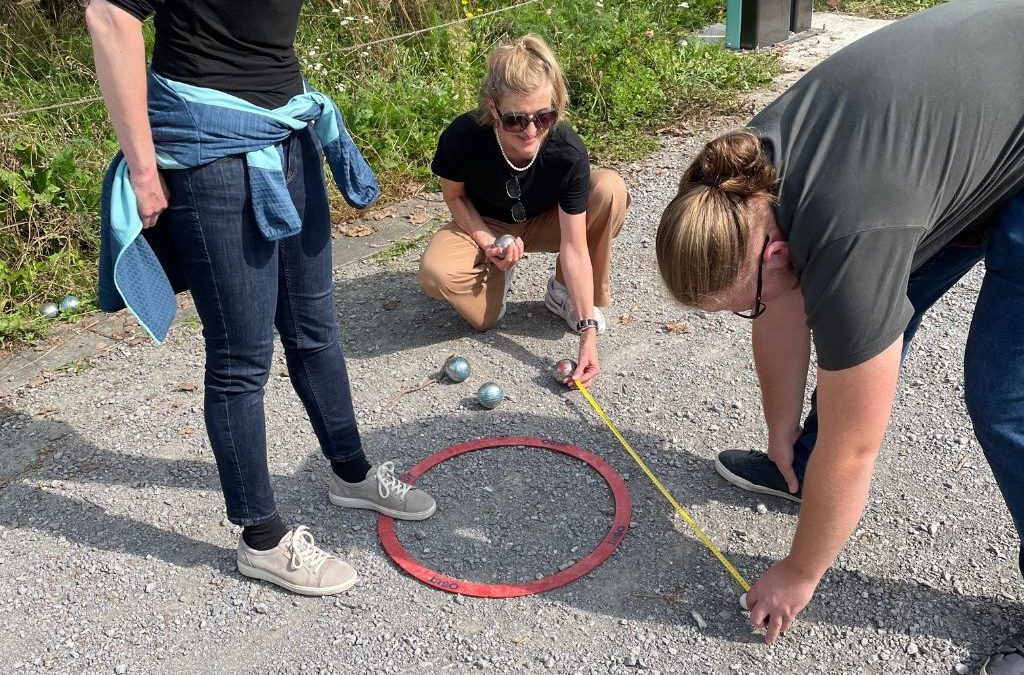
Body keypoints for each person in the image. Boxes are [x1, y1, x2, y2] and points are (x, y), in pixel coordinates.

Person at [655, 1, 1023, 671]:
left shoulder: (850, 236)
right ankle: (802, 470)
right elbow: (780, 310)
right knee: (850, 318)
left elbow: (857, 445)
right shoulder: (743, 177)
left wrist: (799, 571)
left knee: (1004, 394)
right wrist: (782, 436)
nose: (751, 313)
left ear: (769, 254)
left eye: (742, 304)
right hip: (966, 119)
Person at [86, 0, 436, 597]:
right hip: (213, 155)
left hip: (289, 134)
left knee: (315, 330)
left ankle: (351, 473)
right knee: (240, 359)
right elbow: (108, 16)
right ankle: (262, 539)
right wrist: (144, 170)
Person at [416, 34, 630, 387]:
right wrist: (487, 241)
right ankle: (498, 274)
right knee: (436, 273)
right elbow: (455, 198)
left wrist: (587, 332)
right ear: (492, 107)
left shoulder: (566, 149)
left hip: (548, 220)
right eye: (516, 120)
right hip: (487, 221)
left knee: (608, 189)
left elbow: (575, 247)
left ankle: (564, 293)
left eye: (544, 116)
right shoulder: (462, 137)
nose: (531, 131)